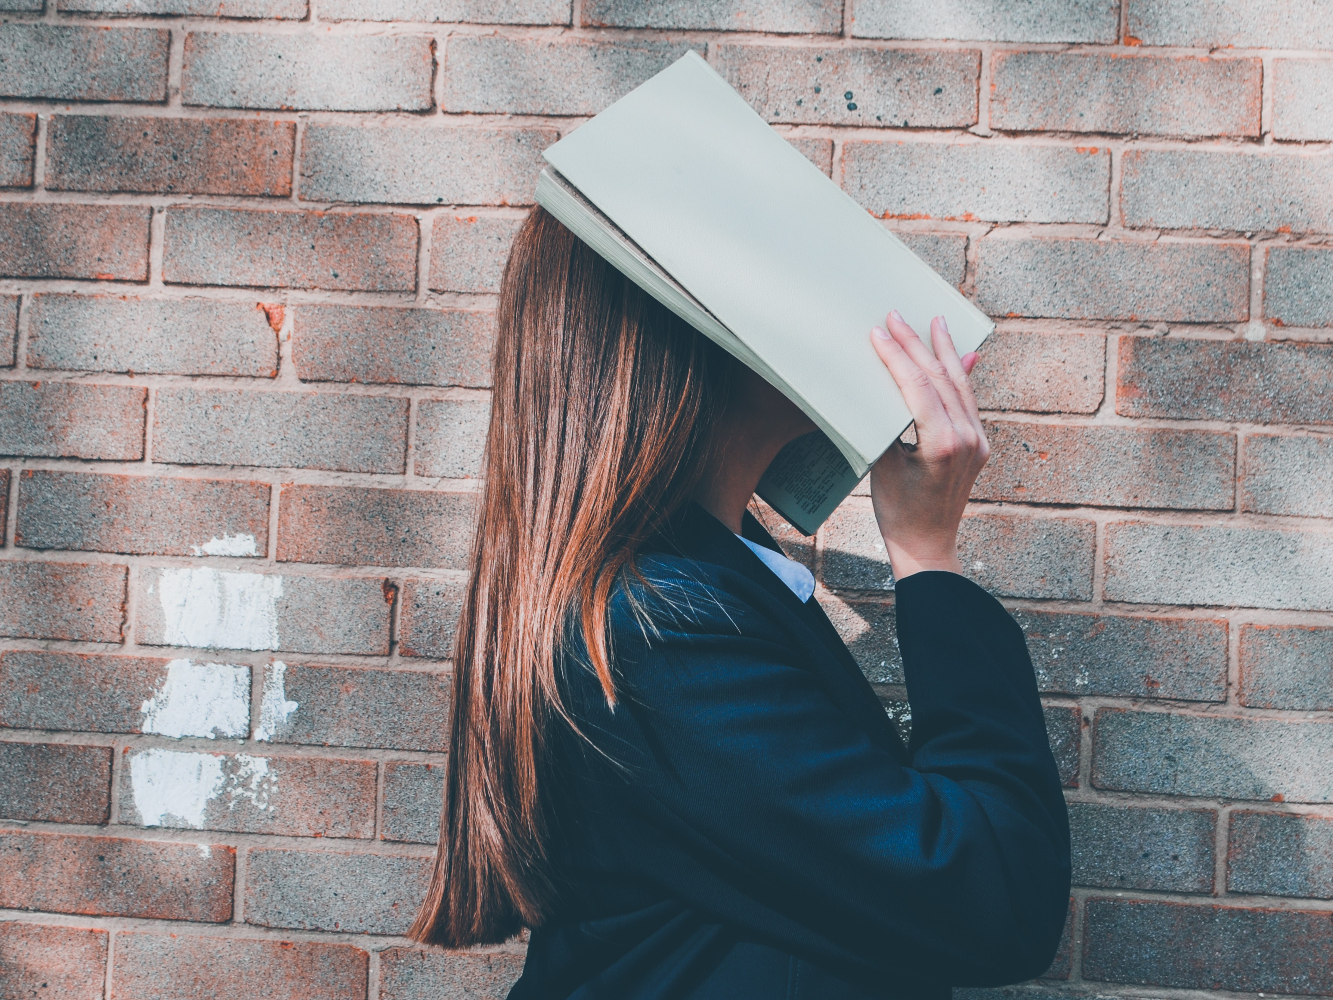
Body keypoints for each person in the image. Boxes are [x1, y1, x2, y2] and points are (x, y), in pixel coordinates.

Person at [410, 207, 1071, 999]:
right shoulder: (658, 627)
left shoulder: (706, 587)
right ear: (690, 338)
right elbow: (993, 901)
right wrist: (928, 557)